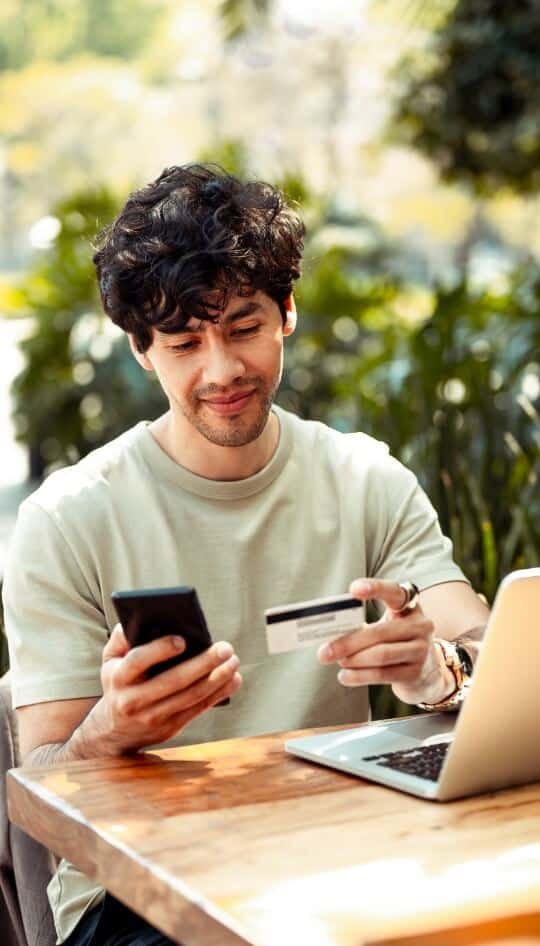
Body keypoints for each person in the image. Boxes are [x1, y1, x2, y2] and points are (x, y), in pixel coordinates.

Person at [3, 164, 489, 946]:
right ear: (141, 350)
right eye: (185, 342)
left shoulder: (365, 479)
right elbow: (45, 776)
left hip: (345, 858)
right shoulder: (67, 518)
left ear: (287, 314)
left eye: (242, 328)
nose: (221, 370)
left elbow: (486, 657)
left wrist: (439, 671)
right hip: (137, 899)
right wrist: (112, 727)